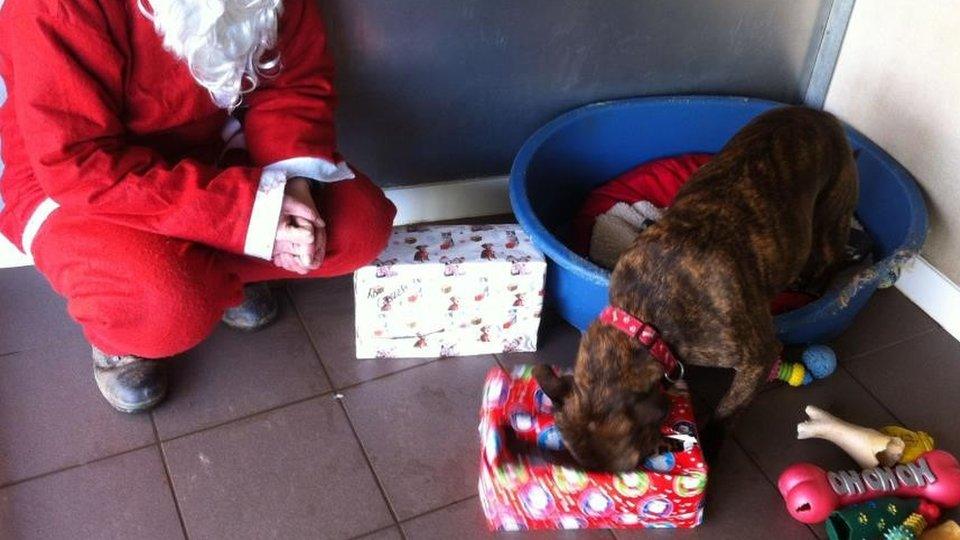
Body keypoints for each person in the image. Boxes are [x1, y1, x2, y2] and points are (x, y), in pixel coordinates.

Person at [0, 0, 396, 413]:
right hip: (83, 186)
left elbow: (293, 83)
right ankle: (129, 333)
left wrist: (292, 189)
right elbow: (76, 164)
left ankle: (212, 271)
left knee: (359, 227)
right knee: (166, 306)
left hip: (209, 151)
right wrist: (251, 215)